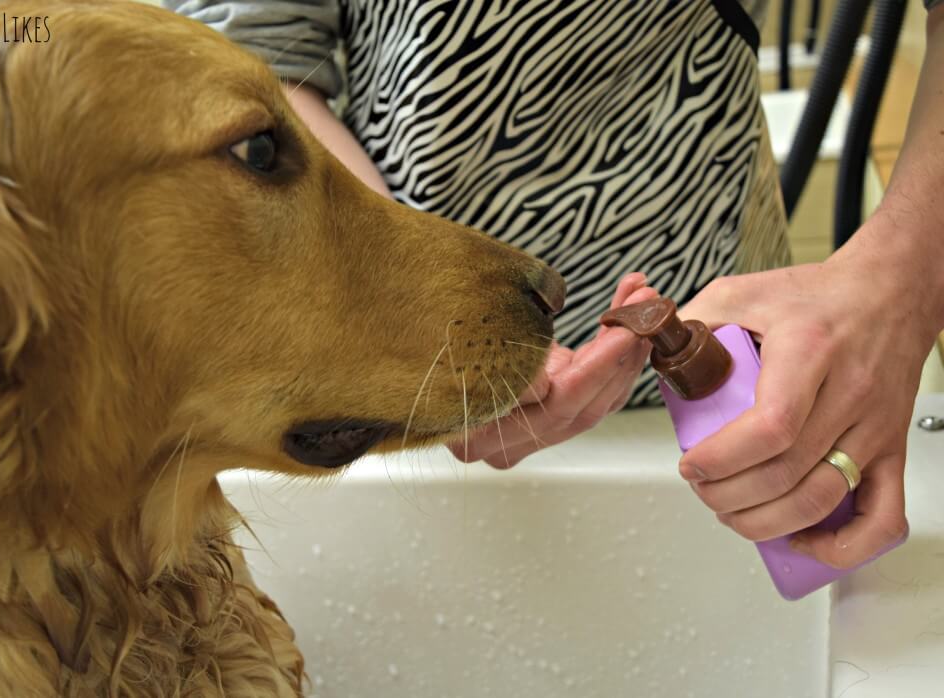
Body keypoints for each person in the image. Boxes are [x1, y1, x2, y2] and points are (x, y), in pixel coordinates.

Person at [167, 0, 944, 571]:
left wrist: (900, 282)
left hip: (746, 381)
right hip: (386, 392)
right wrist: (414, 317)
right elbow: (246, 58)